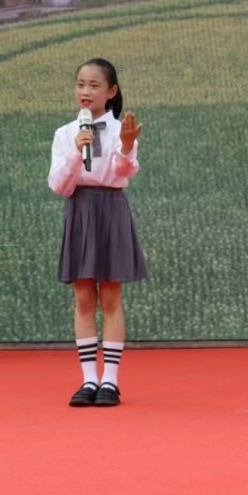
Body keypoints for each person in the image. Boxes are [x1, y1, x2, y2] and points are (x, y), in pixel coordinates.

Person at [48, 59, 146, 407]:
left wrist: (128, 144)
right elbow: (59, 185)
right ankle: (88, 379)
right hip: (80, 209)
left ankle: (111, 381)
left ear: (111, 91)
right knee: (84, 297)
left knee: (111, 298)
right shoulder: (65, 133)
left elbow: (125, 171)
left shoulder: (124, 129)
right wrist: (77, 149)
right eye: (80, 84)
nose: (85, 92)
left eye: (93, 85)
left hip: (112, 208)